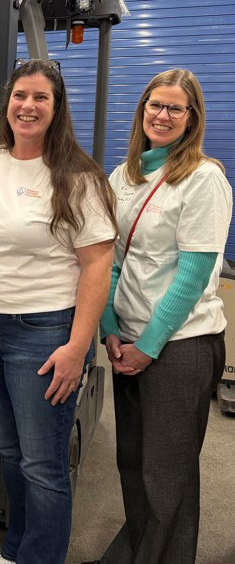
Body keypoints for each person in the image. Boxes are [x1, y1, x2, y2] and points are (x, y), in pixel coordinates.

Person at [0, 59, 115, 564]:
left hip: (42, 332)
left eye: (40, 97)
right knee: (9, 452)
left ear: (56, 107)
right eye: (21, 95)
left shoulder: (79, 177)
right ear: (8, 103)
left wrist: (77, 346)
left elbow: (97, 264)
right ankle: (16, 550)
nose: (28, 106)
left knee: (43, 464)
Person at [96, 69, 230, 564]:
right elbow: (111, 260)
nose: (163, 115)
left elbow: (192, 275)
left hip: (179, 346)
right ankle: (136, 550)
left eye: (176, 108)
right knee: (132, 462)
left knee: (166, 473)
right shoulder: (124, 176)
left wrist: (149, 345)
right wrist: (110, 330)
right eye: (155, 104)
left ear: (192, 118)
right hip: (127, 338)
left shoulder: (203, 179)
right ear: (142, 110)